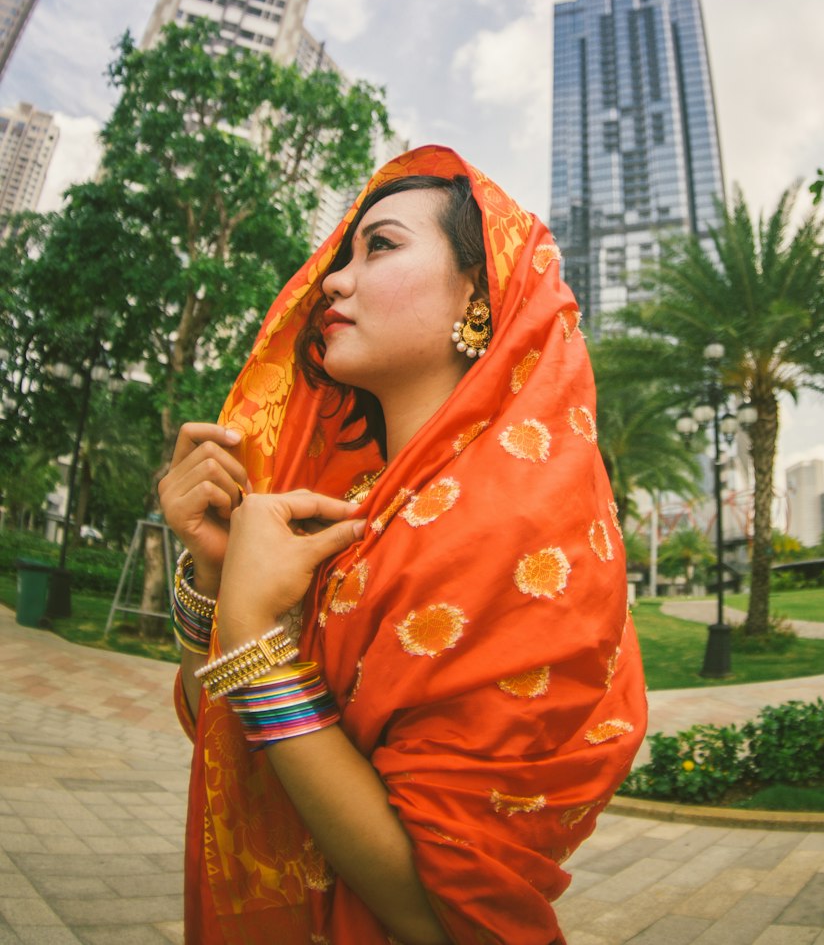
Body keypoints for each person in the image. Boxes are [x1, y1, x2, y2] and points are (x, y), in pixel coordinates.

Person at [160, 145, 646, 945]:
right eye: (340, 257)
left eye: (379, 246)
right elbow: (232, 738)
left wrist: (253, 639)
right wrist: (212, 581)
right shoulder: (346, 511)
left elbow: (446, 914)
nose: (332, 282)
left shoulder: (518, 527)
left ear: (479, 294)